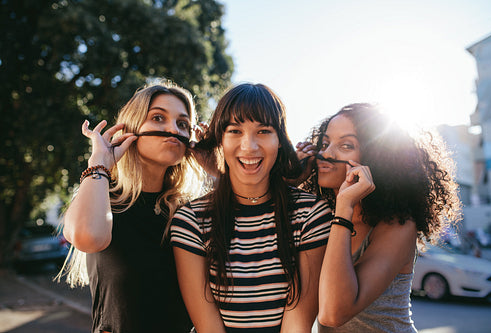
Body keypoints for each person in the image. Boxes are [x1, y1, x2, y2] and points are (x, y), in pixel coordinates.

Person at [170, 83, 333, 332]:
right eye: (235, 131)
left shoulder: (311, 214)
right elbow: (207, 325)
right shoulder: (191, 220)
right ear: (220, 141)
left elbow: (297, 323)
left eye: (264, 131)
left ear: (280, 140)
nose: (249, 146)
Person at [296, 103, 461, 332]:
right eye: (324, 143)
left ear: (378, 159)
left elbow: (334, 312)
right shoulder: (320, 217)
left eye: (346, 145)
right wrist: (290, 185)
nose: (326, 154)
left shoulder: (398, 226)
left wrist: (344, 207)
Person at [58, 81, 206, 333]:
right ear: (131, 128)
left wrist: (217, 169)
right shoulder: (103, 197)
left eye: (182, 124)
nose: (172, 129)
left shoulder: (189, 212)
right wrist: (100, 162)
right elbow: (87, 237)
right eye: (158, 118)